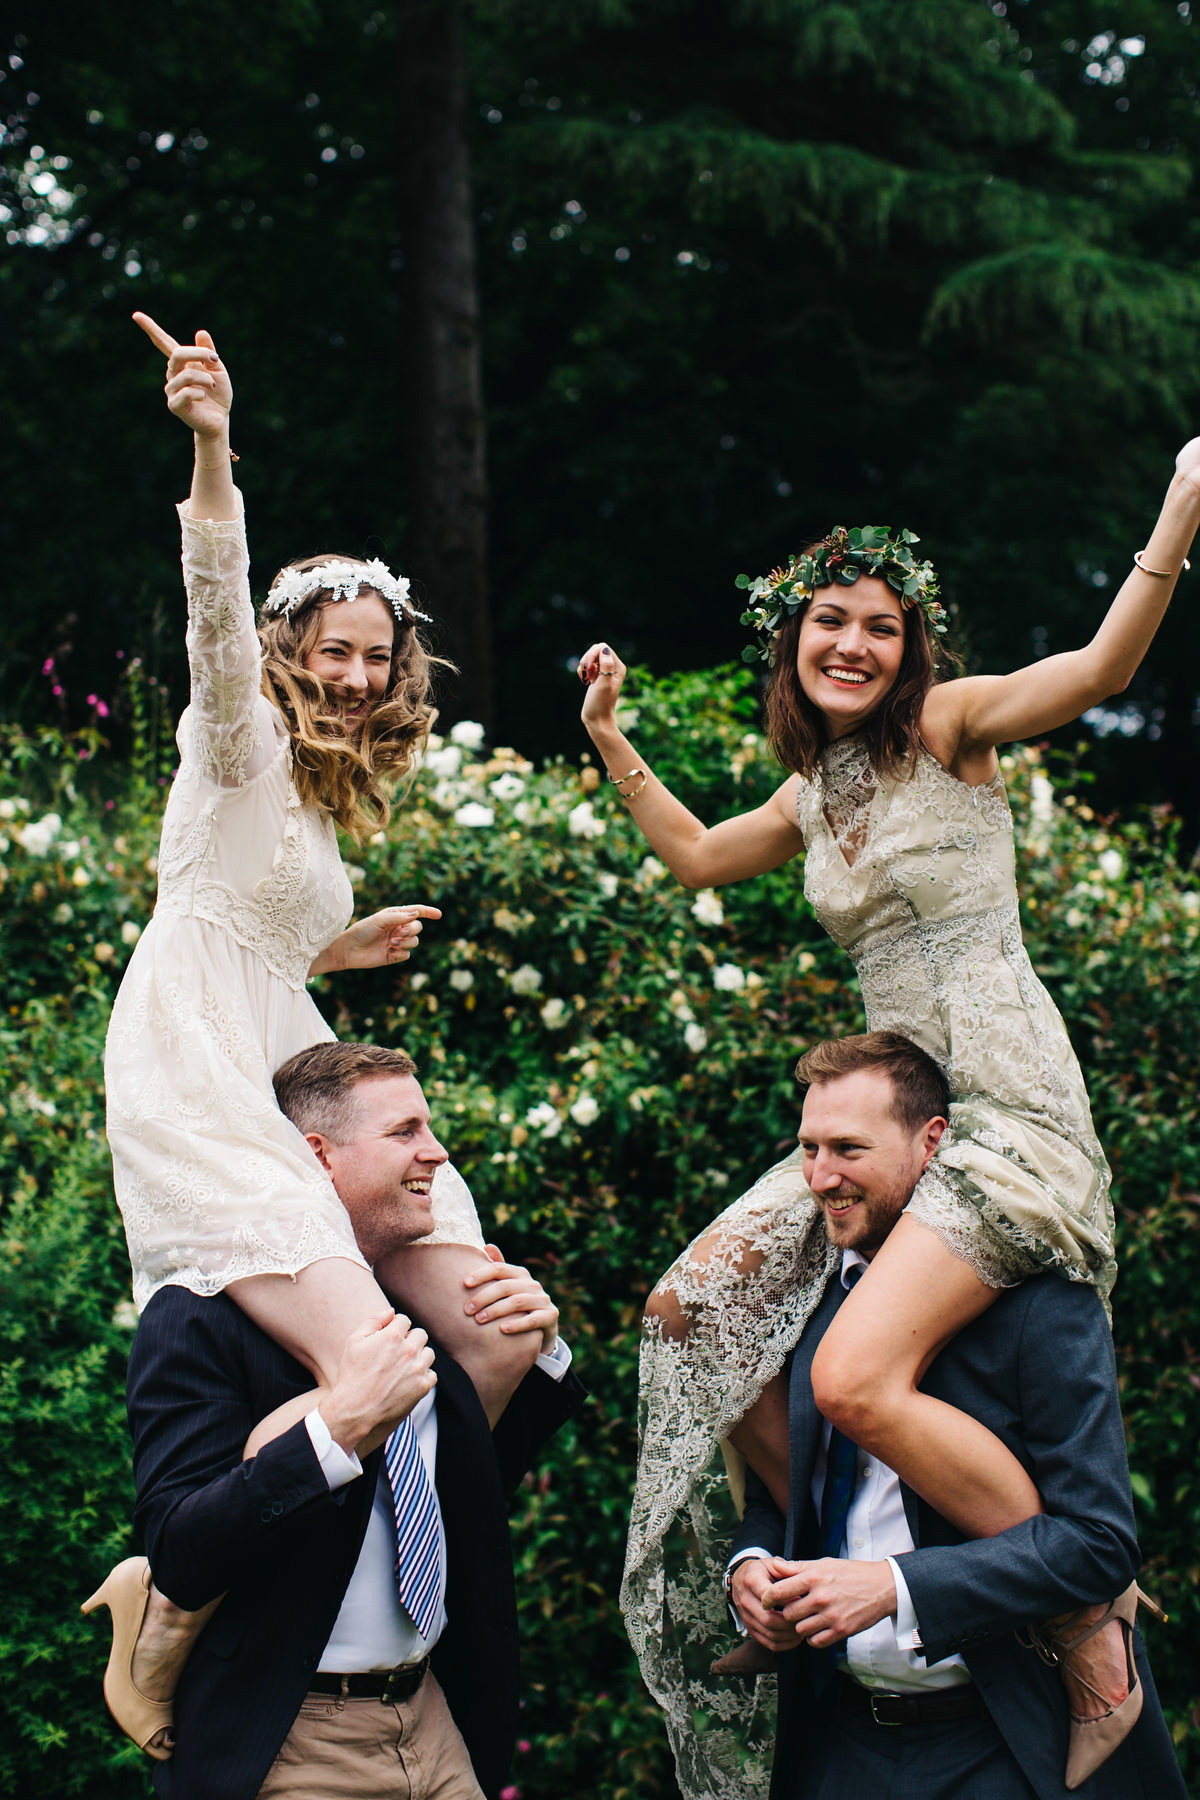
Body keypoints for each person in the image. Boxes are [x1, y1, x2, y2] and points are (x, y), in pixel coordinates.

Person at [578, 467, 1200, 1793]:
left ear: (912, 647)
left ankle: (1091, 1640)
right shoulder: (815, 796)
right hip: (894, 1103)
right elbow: (695, 858)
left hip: (1000, 1106)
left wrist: (1181, 510)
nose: (853, 644)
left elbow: (1096, 670)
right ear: (791, 642)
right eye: (829, 623)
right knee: (694, 1313)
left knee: (855, 1375)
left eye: (879, 625)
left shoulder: (953, 731)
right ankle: (808, 1573)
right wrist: (610, 733)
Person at [95, 316, 532, 1746]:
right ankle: (175, 1609)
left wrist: (337, 946)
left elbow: (257, 918)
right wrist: (214, 452)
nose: (350, 675)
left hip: (286, 1043)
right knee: (380, 1365)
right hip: (200, 1072)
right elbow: (212, 614)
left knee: (488, 1332)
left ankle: (351, 1603)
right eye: (328, 651)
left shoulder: (328, 799)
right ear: (289, 652)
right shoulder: (240, 734)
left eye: (371, 654)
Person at [84, 1041, 586, 1800]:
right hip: (290, 1740)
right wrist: (335, 1432)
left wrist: (537, 1350)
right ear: (318, 1156)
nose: (437, 1151)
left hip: (435, 1724)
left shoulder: (411, 1302)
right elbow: (181, 1550)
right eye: (405, 1132)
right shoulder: (197, 1318)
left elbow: (459, 1498)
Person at [726, 1031, 1183, 1800]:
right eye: (808, 1148)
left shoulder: (1043, 1307)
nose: (820, 1178)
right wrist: (752, 1568)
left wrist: (896, 1587)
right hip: (837, 1743)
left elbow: (1099, 1544)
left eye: (848, 1149)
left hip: (1002, 1740)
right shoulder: (811, 1299)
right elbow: (787, 1486)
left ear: (932, 1142)